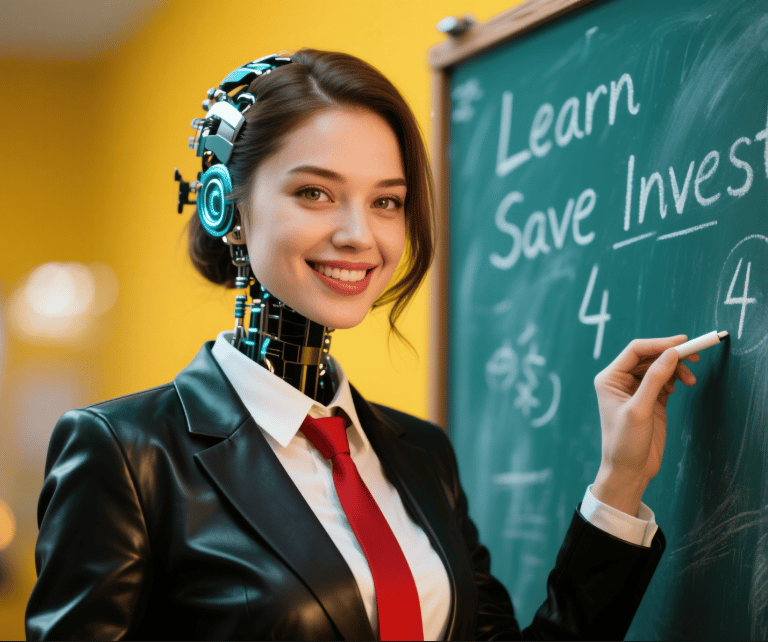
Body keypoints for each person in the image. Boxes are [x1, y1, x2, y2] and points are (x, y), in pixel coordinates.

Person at [25, 49, 698, 641]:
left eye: (386, 202)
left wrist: (620, 481)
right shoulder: (125, 453)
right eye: (315, 192)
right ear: (223, 206)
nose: (360, 236)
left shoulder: (421, 454)